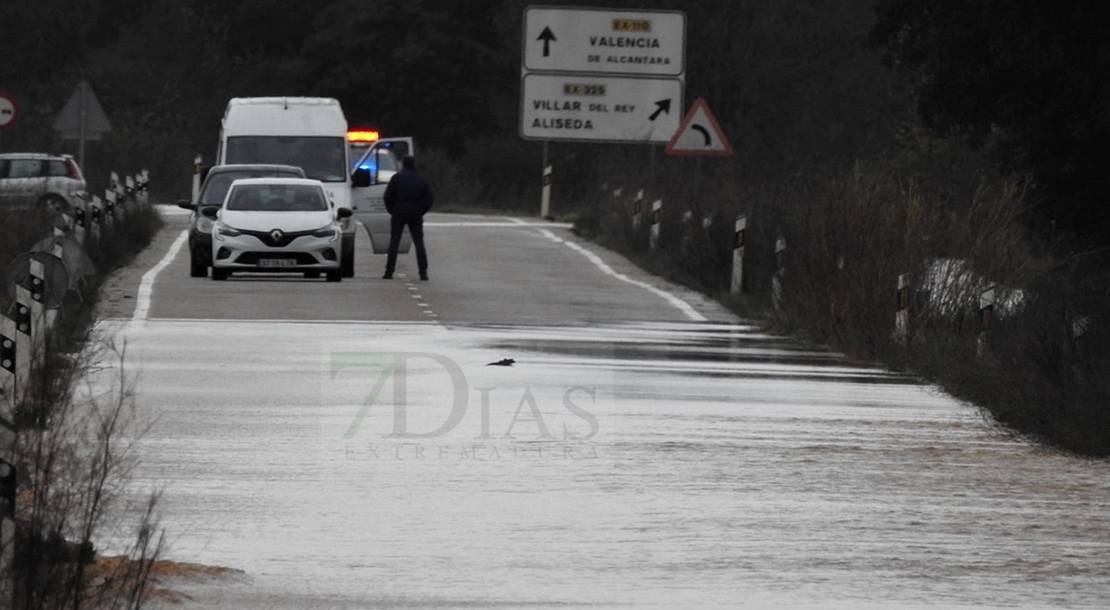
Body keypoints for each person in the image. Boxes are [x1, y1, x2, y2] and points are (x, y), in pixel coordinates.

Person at [382, 155, 433, 280]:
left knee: (394, 242)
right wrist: (421, 211)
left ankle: (389, 271)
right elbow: (429, 198)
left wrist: (392, 210)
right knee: (419, 242)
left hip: (398, 212)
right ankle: (423, 272)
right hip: (415, 213)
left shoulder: (396, 178)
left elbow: (387, 196)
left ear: (403, 164)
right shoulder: (421, 179)